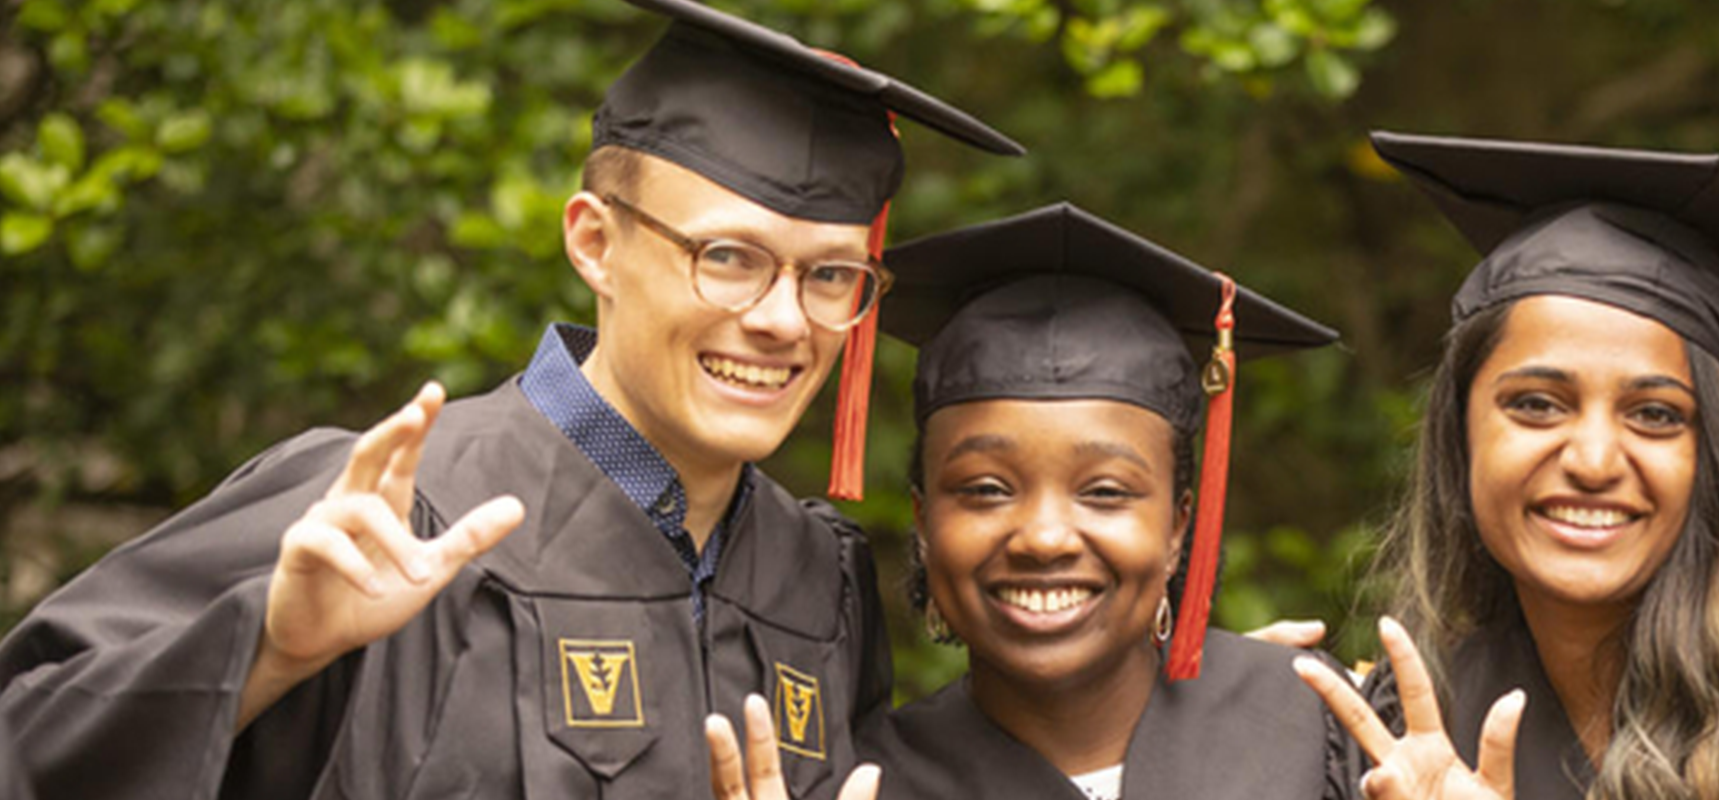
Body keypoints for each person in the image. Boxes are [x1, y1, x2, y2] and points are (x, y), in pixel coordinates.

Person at [0, 0, 1021, 797]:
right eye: (727, 256)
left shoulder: (819, 586)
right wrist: (267, 648)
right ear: (594, 242)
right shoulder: (382, 510)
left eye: (828, 276)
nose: (781, 319)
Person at [1296, 131, 1719, 800]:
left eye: (1656, 415)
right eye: (1537, 405)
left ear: (1713, 456)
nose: (1594, 460)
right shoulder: (1411, 728)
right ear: (1460, 436)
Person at [850, 203, 1359, 798]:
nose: (1043, 538)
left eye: (1105, 492)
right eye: (986, 490)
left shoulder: (1315, 728)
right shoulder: (867, 783)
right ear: (924, 523)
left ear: (1177, 528)